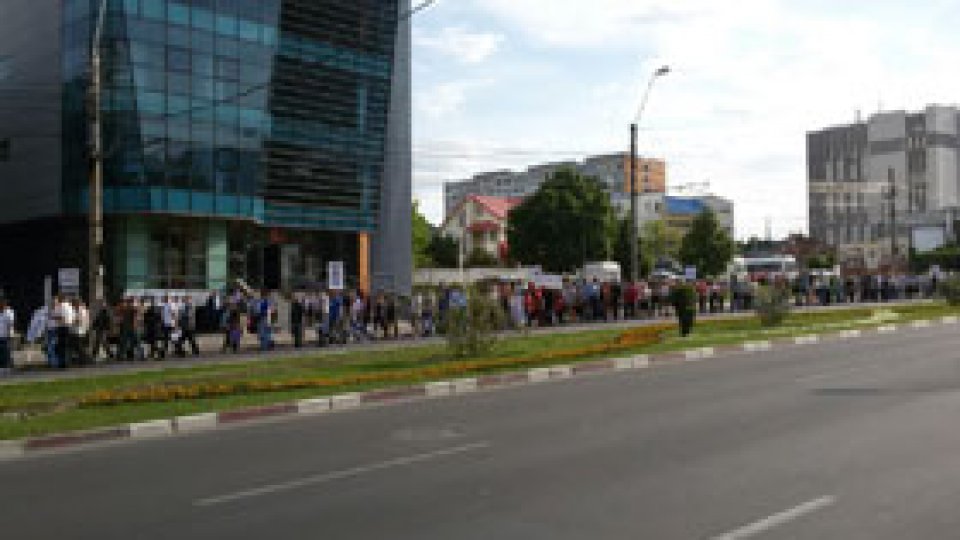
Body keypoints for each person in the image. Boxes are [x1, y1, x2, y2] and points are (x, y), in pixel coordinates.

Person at [0, 299, 14, 375]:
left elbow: (10, 325)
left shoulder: (9, 313)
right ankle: (2, 366)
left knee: (5, 351)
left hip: (5, 335)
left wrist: (10, 335)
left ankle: (7, 366)